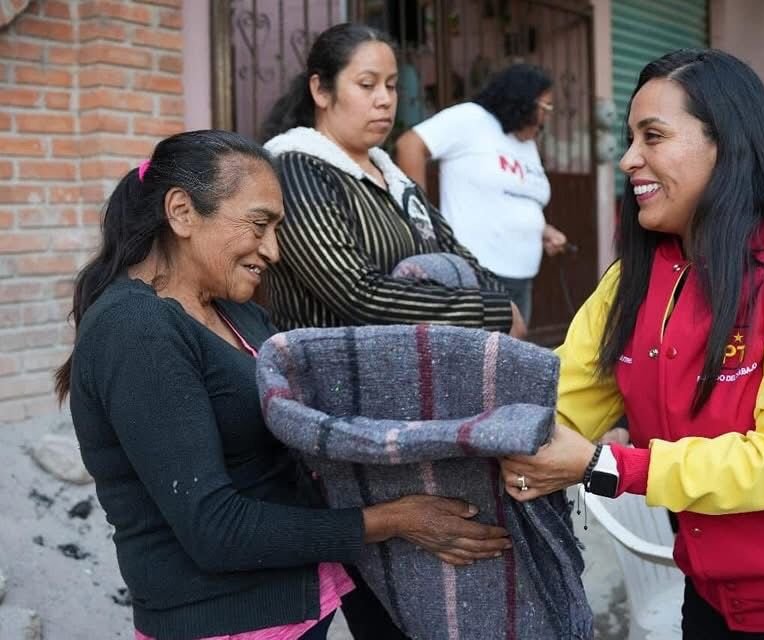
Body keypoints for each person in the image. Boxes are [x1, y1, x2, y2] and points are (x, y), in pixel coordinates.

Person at [497, 49, 764, 638]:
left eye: (653, 136)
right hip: (712, 602)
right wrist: (496, 445)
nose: (628, 160)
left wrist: (606, 466)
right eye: (630, 138)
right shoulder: (636, 280)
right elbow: (558, 403)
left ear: (727, 143)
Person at [54, 130, 511, 640]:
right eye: (259, 224)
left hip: (296, 602)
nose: (272, 250)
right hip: (222, 619)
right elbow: (215, 530)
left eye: (277, 228)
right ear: (182, 212)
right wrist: (397, 519)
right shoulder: (136, 330)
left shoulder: (235, 314)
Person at [259, 23, 525, 339]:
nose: (385, 99)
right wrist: (493, 311)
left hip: (412, 372)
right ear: (320, 90)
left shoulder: (395, 179)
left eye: (392, 85)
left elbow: (457, 252)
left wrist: (502, 300)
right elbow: (357, 294)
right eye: (367, 84)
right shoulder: (297, 167)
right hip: (329, 374)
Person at [395, 63, 567, 323]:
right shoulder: (471, 120)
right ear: (522, 100)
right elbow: (410, 145)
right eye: (545, 107)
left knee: (511, 359)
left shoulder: (526, 144)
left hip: (522, 276)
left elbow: (514, 200)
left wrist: (543, 230)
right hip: (476, 273)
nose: (547, 117)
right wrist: (420, 218)